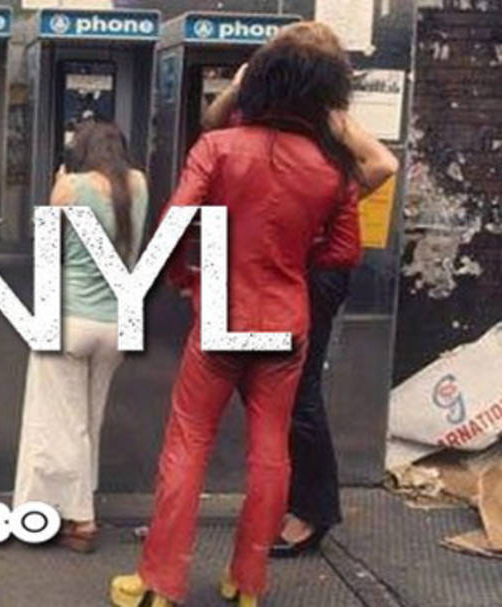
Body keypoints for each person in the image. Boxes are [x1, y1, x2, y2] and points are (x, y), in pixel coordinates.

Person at [110, 28, 364, 607]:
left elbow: (174, 223)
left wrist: (184, 278)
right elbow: (343, 251)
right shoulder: (331, 165)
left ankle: (159, 582)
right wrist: (293, 263)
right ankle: (247, 583)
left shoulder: (219, 147)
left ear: (261, 83)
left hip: (223, 308)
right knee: (271, 450)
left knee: (188, 443)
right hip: (287, 318)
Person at [202, 22, 399, 557]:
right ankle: (286, 497)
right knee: (260, 384)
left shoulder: (326, 115)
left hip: (312, 264)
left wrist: (320, 206)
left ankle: (314, 510)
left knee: (297, 389)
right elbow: (212, 124)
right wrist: (238, 88)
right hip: (265, 257)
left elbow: (383, 164)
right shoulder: (261, 106)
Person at [12, 120, 148, 553]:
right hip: (116, 325)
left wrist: (57, 188)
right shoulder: (139, 184)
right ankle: (77, 504)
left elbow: (47, 249)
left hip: (68, 321)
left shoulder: (70, 186)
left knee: (58, 423)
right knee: (89, 420)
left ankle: (78, 519)